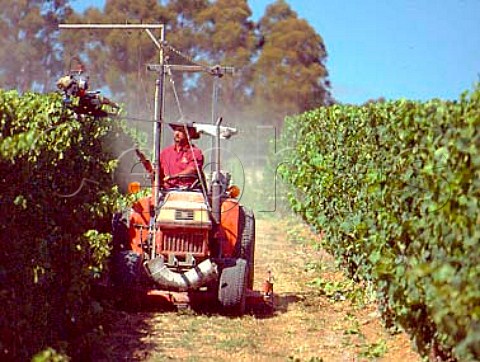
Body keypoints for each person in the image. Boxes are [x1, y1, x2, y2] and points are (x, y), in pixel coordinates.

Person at [160, 123, 204, 189]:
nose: (177, 133)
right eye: (175, 130)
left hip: (187, 192)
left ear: (189, 134)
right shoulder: (165, 153)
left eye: (180, 130)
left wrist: (174, 176)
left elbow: (192, 169)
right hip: (166, 192)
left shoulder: (195, 152)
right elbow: (159, 174)